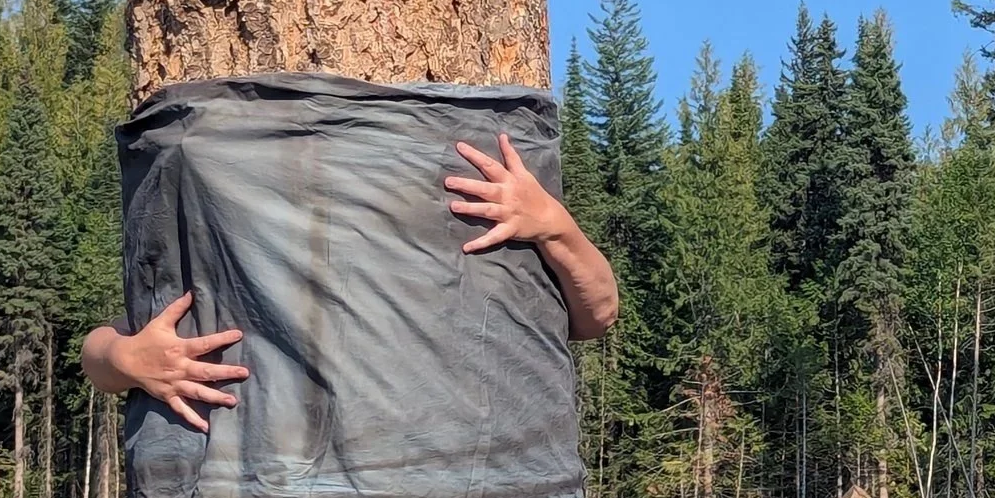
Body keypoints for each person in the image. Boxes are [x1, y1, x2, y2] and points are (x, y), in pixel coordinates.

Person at [83, 132, 619, 430]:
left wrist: (555, 225)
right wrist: (125, 359)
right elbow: (104, 347)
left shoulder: (465, 234)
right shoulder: (240, 245)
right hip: (269, 478)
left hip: (470, 471)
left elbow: (598, 313)